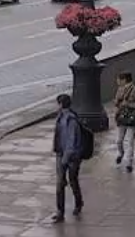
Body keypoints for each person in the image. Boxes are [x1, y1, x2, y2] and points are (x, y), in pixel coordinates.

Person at [52, 94, 83, 223]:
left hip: (71, 156)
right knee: (60, 183)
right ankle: (60, 212)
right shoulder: (61, 117)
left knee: (72, 180)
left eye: (57, 103)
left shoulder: (71, 120)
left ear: (61, 104)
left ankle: (78, 202)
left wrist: (65, 160)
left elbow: (71, 142)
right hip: (60, 153)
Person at [114, 72, 135, 173]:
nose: (117, 81)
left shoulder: (134, 90)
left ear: (124, 80)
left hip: (131, 119)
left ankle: (129, 163)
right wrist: (118, 103)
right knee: (119, 140)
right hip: (122, 118)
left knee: (130, 141)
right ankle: (121, 153)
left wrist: (129, 104)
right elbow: (116, 102)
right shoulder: (119, 90)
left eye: (118, 79)